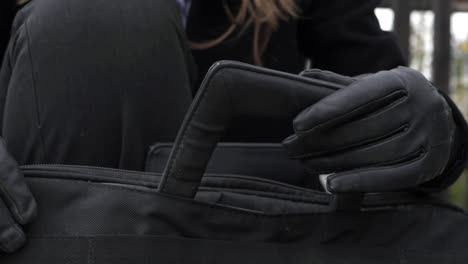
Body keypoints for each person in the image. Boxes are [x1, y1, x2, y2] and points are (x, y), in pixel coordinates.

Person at [0, 0, 466, 253]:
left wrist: (440, 132)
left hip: (229, 234)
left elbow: (381, 80)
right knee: (99, 18)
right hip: (46, 222)